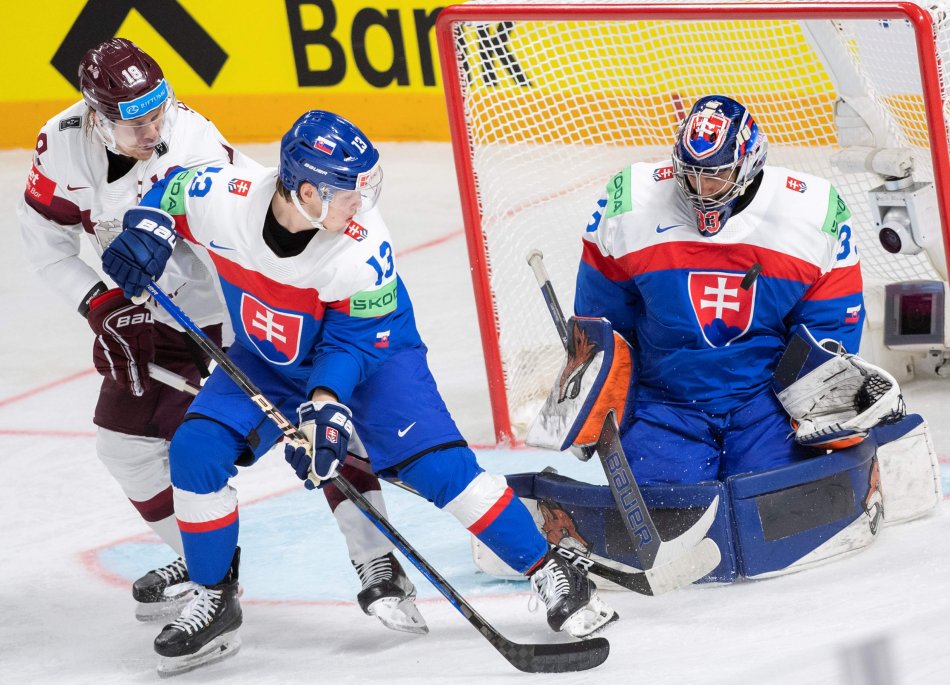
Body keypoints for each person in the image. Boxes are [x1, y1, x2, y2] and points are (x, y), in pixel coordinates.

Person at [100, 110, 617, 675]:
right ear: (306, 192)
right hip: (270, 353)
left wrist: (325, 407)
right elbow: (172, 189)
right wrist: (147, 228)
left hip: (375, 351)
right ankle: (215, 598)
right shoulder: (226, 198)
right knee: (196, 450)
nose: (362, 204)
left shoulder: (362, 246)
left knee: (438, 470)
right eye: (350, 192)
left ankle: (549, 569)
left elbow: (351, 344)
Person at [15, 39, 399, 626]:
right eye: (135, 124)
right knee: (126, 445)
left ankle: (377, 559)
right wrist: (100, 305)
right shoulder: (61, 146)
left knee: (316, 423)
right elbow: (46, 242)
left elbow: (259, 237)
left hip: (242, 304)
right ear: (96, 118)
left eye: (158, 114)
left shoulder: (192, 141)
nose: (154, 132)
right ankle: (208, 569)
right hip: (156, 313)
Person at [571, 94, 866, 484]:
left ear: (749, 165)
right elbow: (602, 316)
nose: (700, 188)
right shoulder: (629, 202)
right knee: (665, 506)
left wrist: (819, 402)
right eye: (690, 174)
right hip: (665, 403)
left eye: (715, 175)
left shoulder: (814, 212)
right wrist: (598, 388)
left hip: (767, 404)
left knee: (776, 502)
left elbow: (830, 322)